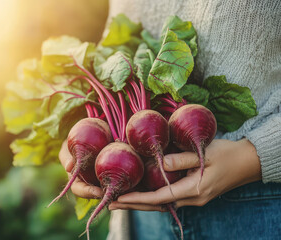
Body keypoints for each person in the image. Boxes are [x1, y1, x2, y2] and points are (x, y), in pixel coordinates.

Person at [59, 0, 281, 239]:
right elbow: (114, 48)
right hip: (141, 206)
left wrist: (251, 159)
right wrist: (80, 140)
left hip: (256, 203)